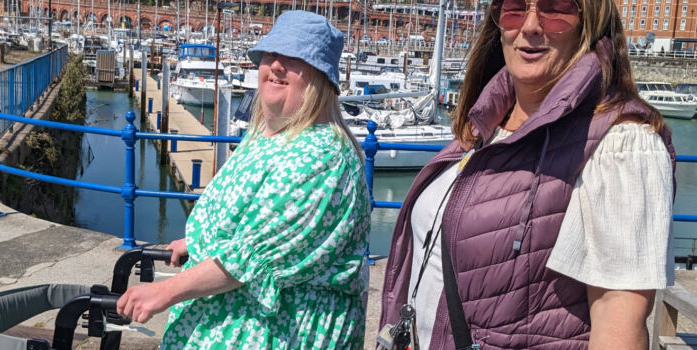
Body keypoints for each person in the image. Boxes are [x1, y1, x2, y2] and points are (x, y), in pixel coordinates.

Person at [380, 0, 676, 349]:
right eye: (515, 7)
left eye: (556, 8)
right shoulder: (487, 124)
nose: (531, 25)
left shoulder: (621, 145)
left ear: (590, 21)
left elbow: (618, 328)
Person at [117, 11, 370, 349]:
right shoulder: (271, 136)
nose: (277, 65)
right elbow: (249, 223)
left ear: (322, 78)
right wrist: (196, 243)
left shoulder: (324, 157)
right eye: (270, 55)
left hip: (282, 331)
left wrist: (163, 292)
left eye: (295, 58)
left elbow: (251, 258)